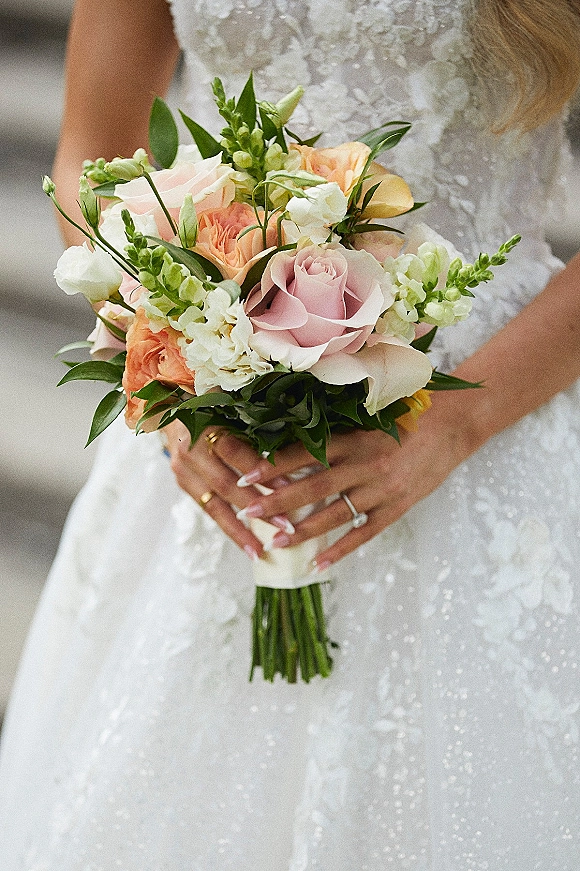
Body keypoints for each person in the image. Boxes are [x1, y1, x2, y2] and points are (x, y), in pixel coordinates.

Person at [1, 0, 580, 867]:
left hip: (486, 405)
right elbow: (94, 146)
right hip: (215, 412)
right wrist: (172, 367)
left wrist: (458, 421)